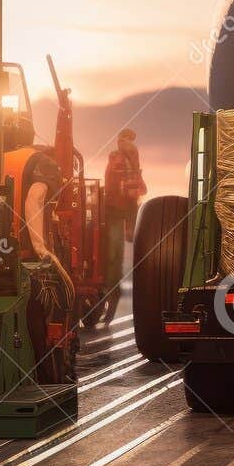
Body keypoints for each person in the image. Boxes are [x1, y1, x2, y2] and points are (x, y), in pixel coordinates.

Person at [2, 140, 76, 381]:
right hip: (24, 254)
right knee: (50, 307)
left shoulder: (2, 158)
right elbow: (34, 199)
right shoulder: (44, 164)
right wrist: (41, 247)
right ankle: (50, 375)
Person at [98, 129, 147, 325]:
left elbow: (135, 191)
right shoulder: (123, 161)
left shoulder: (122, 161)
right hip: (116, 215)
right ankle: (111, 293)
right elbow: (135, 191)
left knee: (113, 258)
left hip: (116, 216)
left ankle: (110, 293)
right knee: (112, 258)